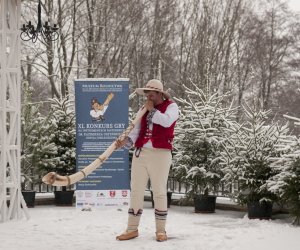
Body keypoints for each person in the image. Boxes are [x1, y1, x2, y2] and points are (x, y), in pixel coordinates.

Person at [115, 79, 179, 242]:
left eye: (150, 93)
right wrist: (126, 141)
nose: (147, 95)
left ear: (159, 94)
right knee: (136, 190)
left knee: (158, 191)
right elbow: (136, 131)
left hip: (161, 154)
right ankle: (131, 229)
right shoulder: (143, 109)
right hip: (140, 152)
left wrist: (151, 112)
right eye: (146, 92)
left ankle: (160, 230)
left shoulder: (171, 107)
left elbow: (166, 121)